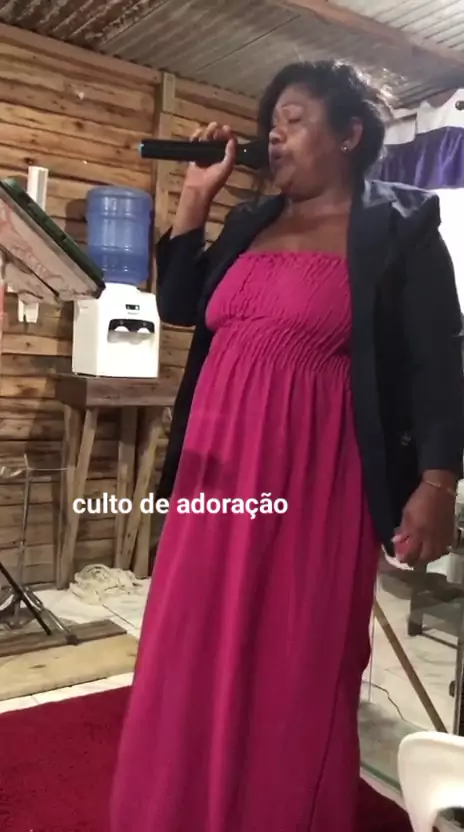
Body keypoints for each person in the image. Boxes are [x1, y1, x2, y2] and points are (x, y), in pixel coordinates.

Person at [111, 60, 464, 831]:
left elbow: (439, 362)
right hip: (214, 477)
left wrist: (437, 481)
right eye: (272, 122)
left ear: (350, 134)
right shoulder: (250, 221)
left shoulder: (401, 228)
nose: (274, 134)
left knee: (293, 661)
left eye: (295, 120)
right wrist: (196, 198)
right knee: (192, 647)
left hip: (315, 477)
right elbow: (180, 305)